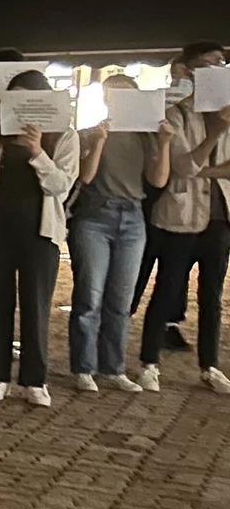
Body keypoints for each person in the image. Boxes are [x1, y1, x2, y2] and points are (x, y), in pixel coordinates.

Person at [0, 69, 80, 406]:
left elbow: (62, 186)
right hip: (0, 225)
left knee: (36, 305)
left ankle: (35, 380)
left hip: (41, 230)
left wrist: (37, 152)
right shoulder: (2, 135)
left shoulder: (64, 136)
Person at [66, 74, 172, 393]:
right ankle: (84, 367)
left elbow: (158, 179)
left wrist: (165, 142)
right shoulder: (93, 132)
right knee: (90, 296)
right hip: (95, 215)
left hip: (133, 217)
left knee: (121, 299)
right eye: (113, 95)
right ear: (106, 100)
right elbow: (85, 175)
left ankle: (112, 367)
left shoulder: (146, 136)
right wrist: (98, 141)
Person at [139, 41, 230, 394]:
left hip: (219, 219)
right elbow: (180, 165)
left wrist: (200, 169)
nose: (219, 69)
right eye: (210, 63)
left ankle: (209, 366)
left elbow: (197, 168)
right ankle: (149, 362)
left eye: (223, 63)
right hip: (180, 215)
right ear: (189, 69)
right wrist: (216, 135)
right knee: (168, 288)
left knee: (213, 296)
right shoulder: (178, 112)